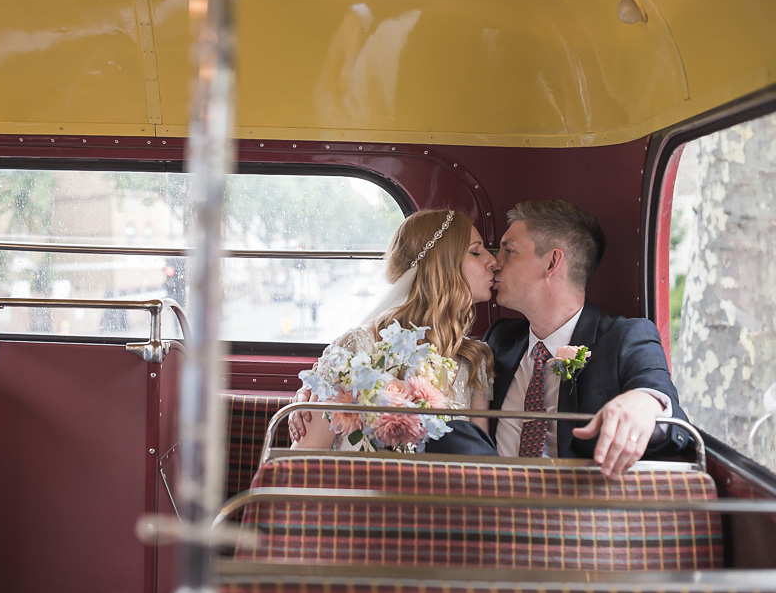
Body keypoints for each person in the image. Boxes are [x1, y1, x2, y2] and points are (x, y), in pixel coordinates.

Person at [487, 199, 690, 477]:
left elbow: (664, 405)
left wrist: (645, 403)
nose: (493, 263)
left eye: (508, 251)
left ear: (552, 262)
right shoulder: (499, 338)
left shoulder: (626, 337)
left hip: (578, 510)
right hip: (492, 503)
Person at [289, 209, 499, 454]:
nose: (492, 261)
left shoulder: (476, 360)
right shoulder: (361, 345)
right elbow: (305, 455)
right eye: (475, 251)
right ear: (442, 266)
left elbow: (480, 462)